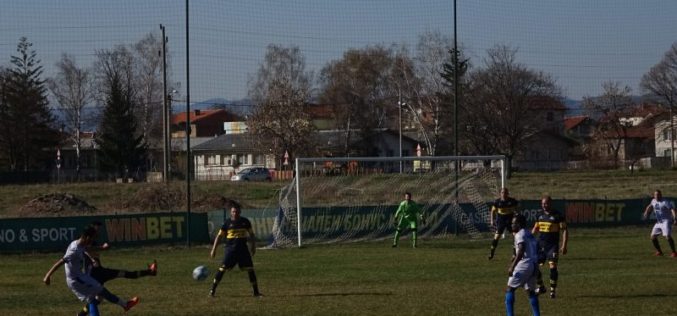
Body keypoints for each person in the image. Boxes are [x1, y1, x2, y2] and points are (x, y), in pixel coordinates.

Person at [43, 226, 139, 316]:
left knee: (99, 295)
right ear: (86, 237)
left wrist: (102, 248)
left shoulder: (79, 244)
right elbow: (60, 261)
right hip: (76, 280)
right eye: (92, 238)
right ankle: (125, 305)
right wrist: (47, 276)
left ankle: (125, 305)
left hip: (80, 277)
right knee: (95, 296)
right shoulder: (73, 250)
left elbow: (87, 249)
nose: (92, 241)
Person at [76, 221, 157, 316]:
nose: (98, 231)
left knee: (98, 299)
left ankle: (81, 315)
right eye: (97, 228)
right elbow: (86, 249)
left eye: (99, 229)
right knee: (100, 295)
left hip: (98, 273)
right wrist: (100, 250)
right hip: (96, 274)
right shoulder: (87, 241)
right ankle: (126, 303)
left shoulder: (91, 241)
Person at [209, 203, 262, 297]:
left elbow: (252, 235)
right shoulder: (227, 223)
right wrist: (214, 249)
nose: (235, 213)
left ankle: (256, 293)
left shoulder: (245, 222)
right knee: (222, 269)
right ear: (231, 212)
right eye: (233, 211)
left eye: (237, 211)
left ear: (240, 212)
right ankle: (212, 291)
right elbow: (219, 236)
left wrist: (253, 247)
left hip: (243, 250)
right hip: (230, 251)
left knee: (251, 270)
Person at [531, 195, 568, 299]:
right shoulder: (539, 215)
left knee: (553, 267)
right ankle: (541, 287)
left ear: (550, 203)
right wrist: (528, 238)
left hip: (552, 246)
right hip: (540, 245)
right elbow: (535, 228)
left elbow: (564, 230)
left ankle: (552, 291)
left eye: (546, 203)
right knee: (534, 267)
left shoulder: (558, 215)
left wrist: (564, 245)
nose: (544, 205)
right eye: (542, 203)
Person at [505, 214, 541, 316]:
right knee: (531, 292)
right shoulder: (529, 233)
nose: (512, 225)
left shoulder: (519, 234)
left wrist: (512, 265)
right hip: (534, 265)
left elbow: (521, 250)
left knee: (510, 288)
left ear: (519, 224)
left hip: (524, 264)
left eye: (514, 223)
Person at [642, 189, 677, 257]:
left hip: (666, 221)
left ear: (661, 195)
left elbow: (672, 209)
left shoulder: (665, 202)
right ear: (654, 195)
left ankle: (674, 252)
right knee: (653, 237)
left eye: (658, 195)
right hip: (659, 222)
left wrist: (675, 218)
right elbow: (649, 206)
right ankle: (659, 252)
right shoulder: (653, 201)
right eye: (655, 195)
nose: (657, 196)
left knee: (667, 236)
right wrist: (646, 212)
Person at [489, 187, 520, 259]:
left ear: (508, 194)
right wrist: (492, 220)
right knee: (496, 237)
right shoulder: (497, 202)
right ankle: (491, 253)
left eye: (506, 193)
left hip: (510, 220)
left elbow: (517, 209)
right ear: (500, 194)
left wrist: (517, 215)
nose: (504, 194)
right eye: (502, 193)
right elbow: (493, 211)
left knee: (515, 236)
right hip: (501, 220)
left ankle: (514, 254)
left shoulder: (512, 201)